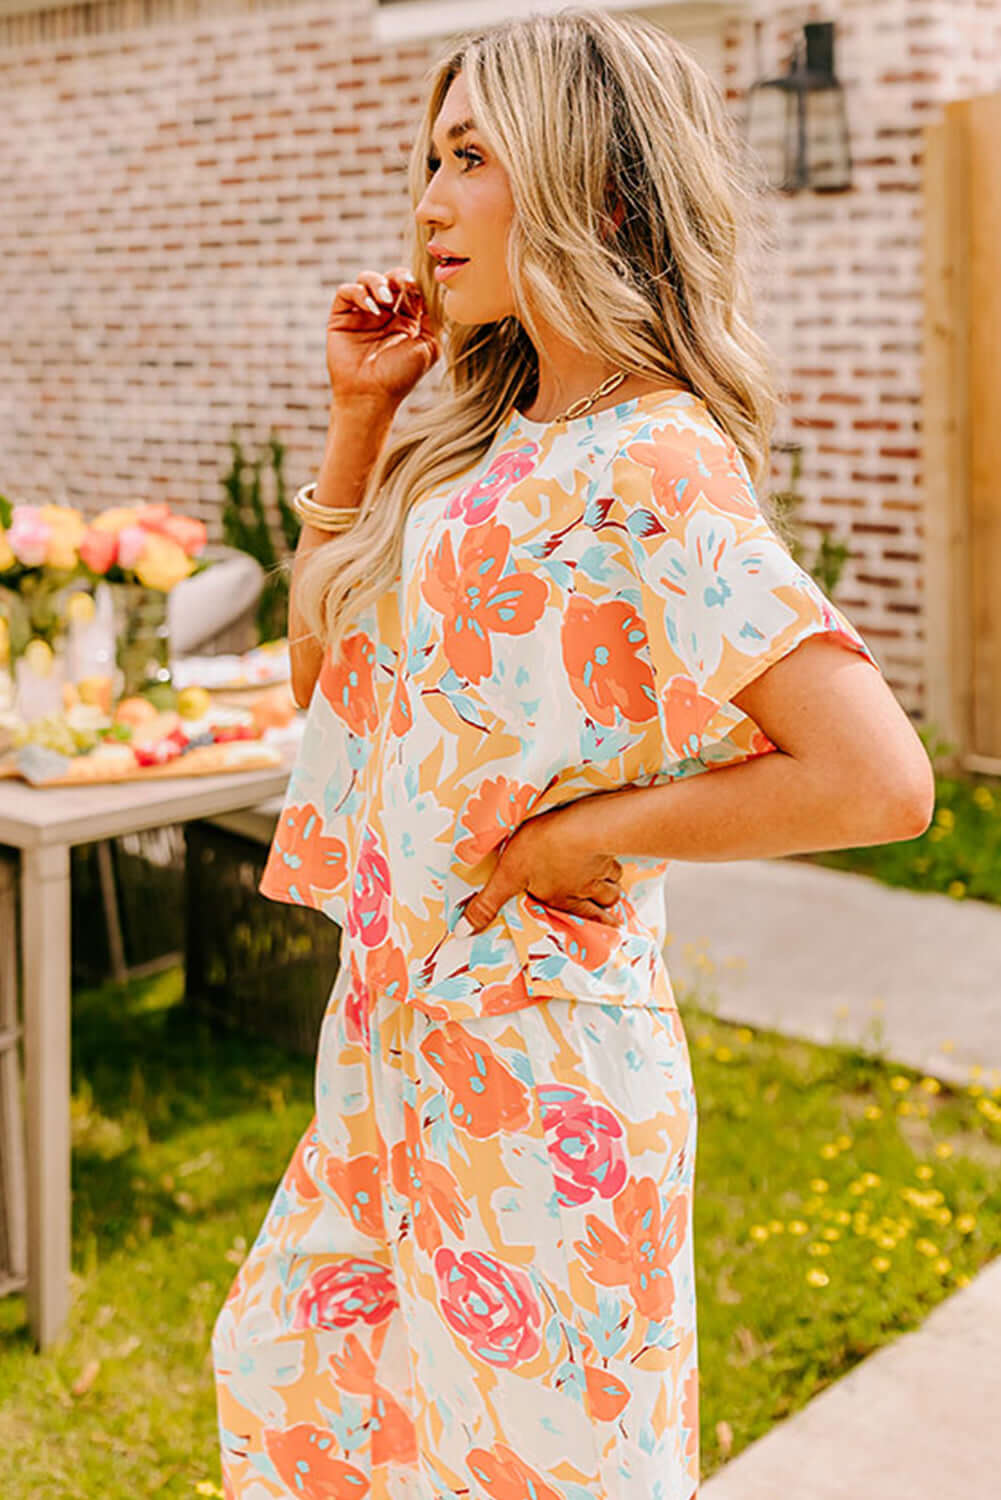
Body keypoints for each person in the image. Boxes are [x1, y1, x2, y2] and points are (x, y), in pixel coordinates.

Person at [211, 10, 935, 1499]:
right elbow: (327, 683)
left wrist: (579, 840)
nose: (426, 199)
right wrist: (359, 424)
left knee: (528, 1472)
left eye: (471, 156)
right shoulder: (493, 442)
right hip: (398, 1045)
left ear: (595, 189)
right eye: (430, 154)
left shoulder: (653, 456)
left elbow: (874, 779)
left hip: (541, 1076)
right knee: (301, 1390)